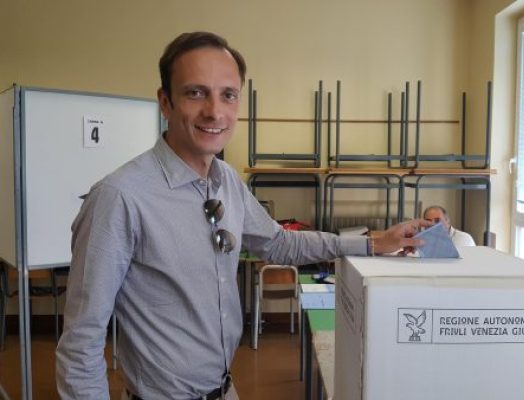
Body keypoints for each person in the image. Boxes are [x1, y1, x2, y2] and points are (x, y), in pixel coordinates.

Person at [55, 31, 430, 400]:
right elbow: (81, 343)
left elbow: (280, 243)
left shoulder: (227, 181)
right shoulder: (119, 197)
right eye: (195, 92)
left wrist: (374, 242)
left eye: (228, 95)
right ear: (165, 102)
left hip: (224, 388)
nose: (214, 111)